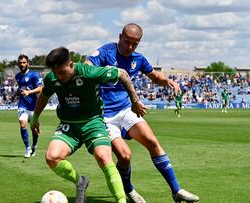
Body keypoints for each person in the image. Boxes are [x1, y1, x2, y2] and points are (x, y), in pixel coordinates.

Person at [86, 23, 199, 203]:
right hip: (104, 116)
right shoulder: (105, 52)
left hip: (125, 109)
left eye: (135, 44)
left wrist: (168, 81)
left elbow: (155, 76)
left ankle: (176, 190)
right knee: (125, 156)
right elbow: (86, 66)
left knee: (152, 141)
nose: (130, 47)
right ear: (119, 37)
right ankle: (129, 190)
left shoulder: (138, 59)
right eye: (127, 41)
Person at [30, 47, 146, 203]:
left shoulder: (89, 72)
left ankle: (121, 200)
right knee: (52, 158)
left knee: (104, 158)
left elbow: (123, 74)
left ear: (71, 64)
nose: (59, 77)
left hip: (93, 122)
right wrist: (35, 117)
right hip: (69, 125)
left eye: (62, 72)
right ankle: (80, 182)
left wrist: (135, 101)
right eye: (56, 73)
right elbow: (44, 96)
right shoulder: (52, 78)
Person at [12, 54, 43, 158]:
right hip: (22, 105)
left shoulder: (34, 75)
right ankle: (28, 148)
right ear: (18, 64)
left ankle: (34, 145)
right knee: (23, 124)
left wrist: (29, 92)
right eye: (20, 63)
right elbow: (20, 88)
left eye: (24, 62)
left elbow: (40, 88)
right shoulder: (17, 76)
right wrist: (14, 95)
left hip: (34, 106)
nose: (22, 64)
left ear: (28, 63)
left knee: (34, 129)